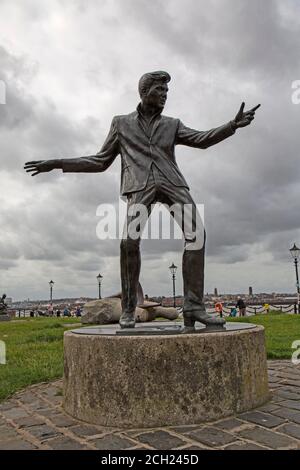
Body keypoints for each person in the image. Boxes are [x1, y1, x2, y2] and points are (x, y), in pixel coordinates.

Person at [24, 71, 260, 330]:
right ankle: (128, 308)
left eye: (167, 92)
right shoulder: (121, 123)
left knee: (197, 235)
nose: (164, 96)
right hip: (139, 186)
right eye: (160, 90)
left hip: (172, 183)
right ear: (145, 92)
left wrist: (232, 125)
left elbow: (201, 139)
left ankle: (193, 306)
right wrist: (57, 164)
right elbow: (100, 161)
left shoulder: (173, 124)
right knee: (129, 242)